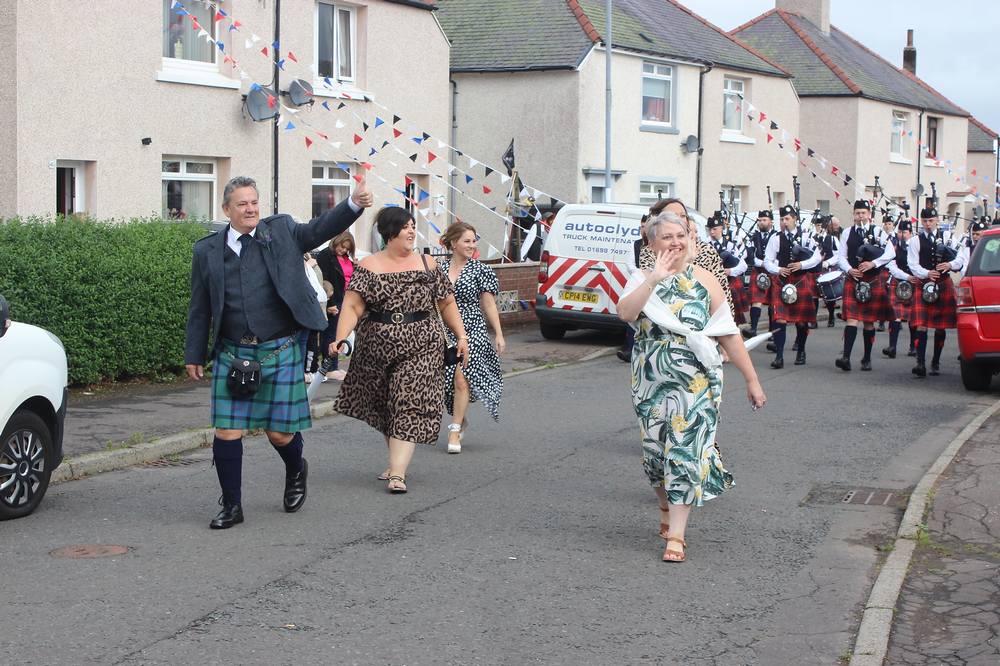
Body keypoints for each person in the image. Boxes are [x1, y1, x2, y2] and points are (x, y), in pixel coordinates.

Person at [184, 175, 372, 529]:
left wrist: (354, 204)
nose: (251, 208)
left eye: (254, 202)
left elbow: (319, 229)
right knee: (227, 430)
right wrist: (194, 353)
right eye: (242, 204)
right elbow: (200, 307)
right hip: (232, 351)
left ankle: (296, 467)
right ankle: (232, 506)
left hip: (279, 347)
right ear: (226, 209)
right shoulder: (206, 251)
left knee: (279, 434)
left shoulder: (281, 231)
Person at [617, 208, 766, 563]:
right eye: (666, 237)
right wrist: (654, 279)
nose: (675, 242)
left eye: (680, 235)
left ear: (689, 239)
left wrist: (752, 379)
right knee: (656, 454)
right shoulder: (640, 277)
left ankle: (678, 537)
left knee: (686, 451)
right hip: (651, 381)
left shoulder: (706, 280)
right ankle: (665, 508)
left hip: (697, 382)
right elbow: (625, 314)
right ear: (652, 243)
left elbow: (728, 333)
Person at [331, 207, 470, 493]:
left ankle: (398, 474)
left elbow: (446, 302)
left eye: (412, 226)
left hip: (422, 344)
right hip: (376, 346)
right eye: (405, 227)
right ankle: (396, 460)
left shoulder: (427, 263)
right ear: (389, 232)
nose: (411, 232)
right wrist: (341, 337)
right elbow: (353, 305)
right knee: (386, 404)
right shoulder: (369, 265)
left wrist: (461, 335)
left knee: (408, 402)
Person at [439, 222, 505, 454]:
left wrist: (498, 332)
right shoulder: (439, 268)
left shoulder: (480, 270)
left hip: (472, 329)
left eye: (474, 241)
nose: (472, 245)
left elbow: (488, 303)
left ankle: (454, 429)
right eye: (467, 241)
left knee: (460, 377)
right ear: (454, 243)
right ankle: (460, 417)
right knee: (444, 382)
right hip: (444, 329)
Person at [834, 200, 894, 372]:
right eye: (857, 213)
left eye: (863, 213)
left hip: (872, 280)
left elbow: (891, 252)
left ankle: (866, 358)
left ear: (869, 215)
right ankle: (846, 358)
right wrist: (850, 269)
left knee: (868, 322)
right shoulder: (847, 232)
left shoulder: (878, 231)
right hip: (854, 279)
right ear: (853, 215)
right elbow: (841, 257)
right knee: (851, 319)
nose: (860, 216)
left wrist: (873, 264)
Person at [907, 202, 963, 377]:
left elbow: (961, 258)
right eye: (924, 221)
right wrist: (926, 273)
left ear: (937, 220)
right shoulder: (915, 240)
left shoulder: (948, 237)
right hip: (924, 284)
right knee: (920, 325)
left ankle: (936, 362)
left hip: (944, 283)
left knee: (941, 327)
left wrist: (950, 264)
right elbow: (912, 264)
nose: (927, 224)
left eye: (930, 220)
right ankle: (920, 363)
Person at [764, 205, 822, 368]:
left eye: (787, 219)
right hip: (782, 280)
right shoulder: (775, 238)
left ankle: (801, 350)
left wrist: (802, 265)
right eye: (782, 219)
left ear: (795, 219)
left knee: (802, 321)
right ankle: (779, 356)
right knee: (779, 319)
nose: (784, 222)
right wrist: (778, 269)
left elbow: (817, 257)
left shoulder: (806, 236)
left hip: (800, 279)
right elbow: (767, 260)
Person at [315, 231, 357, 381]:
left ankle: (335, 366)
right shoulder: (326, 256)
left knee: (340, 335)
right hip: (334, 299)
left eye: (347, 248)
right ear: (336, 242)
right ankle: (329, 368)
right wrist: (330, 303)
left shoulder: (346, 258)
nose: (343, 250)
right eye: (342, 246)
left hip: (347, 299)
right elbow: (325, 281)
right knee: (331, 335)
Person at [883, 219, 919, 359]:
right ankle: (892, 346)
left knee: (913, 317)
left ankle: (913, 347)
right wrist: (905, 276)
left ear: (910, 233)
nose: (901, 234)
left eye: (904, 232)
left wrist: (913, 277)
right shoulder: (893, 247)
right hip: (899, 282)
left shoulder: (916, 246)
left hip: (915, 282)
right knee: (895, 315)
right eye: (899, 231)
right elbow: (891, 266)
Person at [706, 212, 749, 326]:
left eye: (714, 229)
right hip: (711, 282)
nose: (711, 232)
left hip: (728, 281)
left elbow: (743, 265)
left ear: (721, 228)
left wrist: (730, 271)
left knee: (732, 300)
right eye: (709, 229)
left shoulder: (730, 245)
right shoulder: (705, 245)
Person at [744, 209, 777, 338]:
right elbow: (751, 256)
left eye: (764, 220)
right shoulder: (754, 236)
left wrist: (771, 265)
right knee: (756, 301)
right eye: (760, 220)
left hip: (773, 272)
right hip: (758, 271)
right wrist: (763, 263)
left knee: (772, 302)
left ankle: (772, 331)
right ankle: (753, 328)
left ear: (771, 222)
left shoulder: (777, 236)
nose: (761, 223)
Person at [301, 253, 327, 383]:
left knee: (311, 341)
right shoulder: (305, 262)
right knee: (306, 341)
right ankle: (306, 371)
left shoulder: (309, 259)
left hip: (315, 304)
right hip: (307, 306)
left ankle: (311, 370)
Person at [812, 216, 840, 327]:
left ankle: (831, 316)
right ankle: (813, 320)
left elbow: (839, 254)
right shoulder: (811, 238)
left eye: (821, 225)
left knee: (829, 296)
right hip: (814, 270)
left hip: (827, 269)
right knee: (814, 296)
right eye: (818, 225)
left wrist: (828, 262)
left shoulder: (832, 239)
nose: (820, 228)